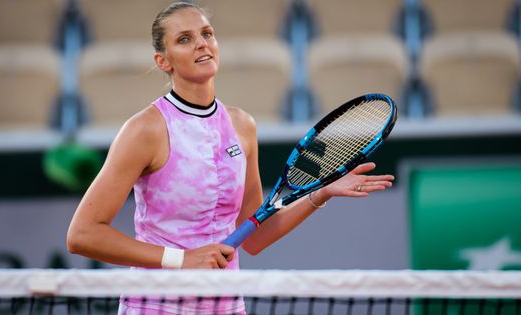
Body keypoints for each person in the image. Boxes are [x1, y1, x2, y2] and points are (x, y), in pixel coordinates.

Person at [66, 2, 394, 314]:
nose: (201, 44)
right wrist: (183, 259)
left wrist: (320, 193)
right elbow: (83, 234)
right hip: (156, 306)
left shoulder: (242, 125)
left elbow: (254, 234)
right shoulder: (144, 130)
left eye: (207, 34)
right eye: (184, 39)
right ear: (163, 61)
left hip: (226, 307)